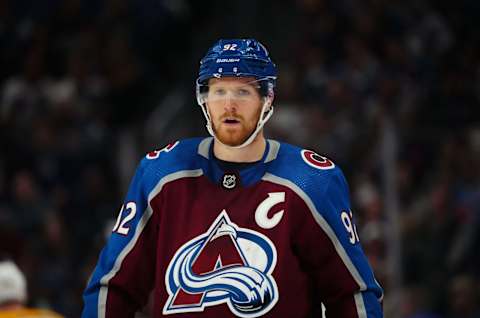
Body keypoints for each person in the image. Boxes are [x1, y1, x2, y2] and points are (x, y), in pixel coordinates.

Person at [82, 38, 383, 317]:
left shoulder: (311, 181)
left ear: (267, 99)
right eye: (219, 91)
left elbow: (353, 295)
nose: (229, 105)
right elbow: (112, 287)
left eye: (243, 91)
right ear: (204, 99)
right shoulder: (161, 174)